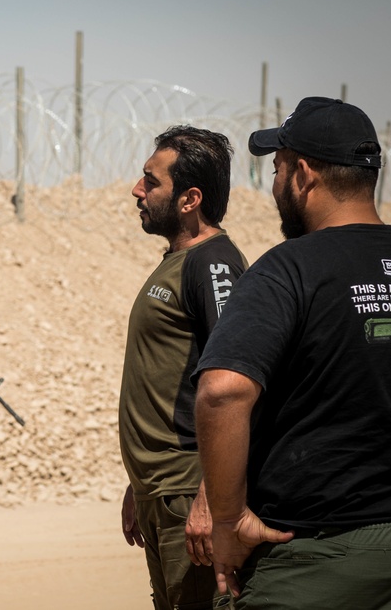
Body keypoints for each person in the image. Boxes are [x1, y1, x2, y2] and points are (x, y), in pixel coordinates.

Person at [195, 97, 391, 608]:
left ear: (303, 174)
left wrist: (227, 520)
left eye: (276, 168)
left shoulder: (288, 270)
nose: (274, 185)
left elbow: (223, 391)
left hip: (317, 556)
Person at [118, 125, 245, 609]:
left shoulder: (213, 265)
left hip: (188, 491)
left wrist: (212, 496)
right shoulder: (178, 260)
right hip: (161, 493)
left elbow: (236, 385)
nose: (137, 190)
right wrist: (139, 484)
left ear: (190, 198)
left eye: (151, 181)